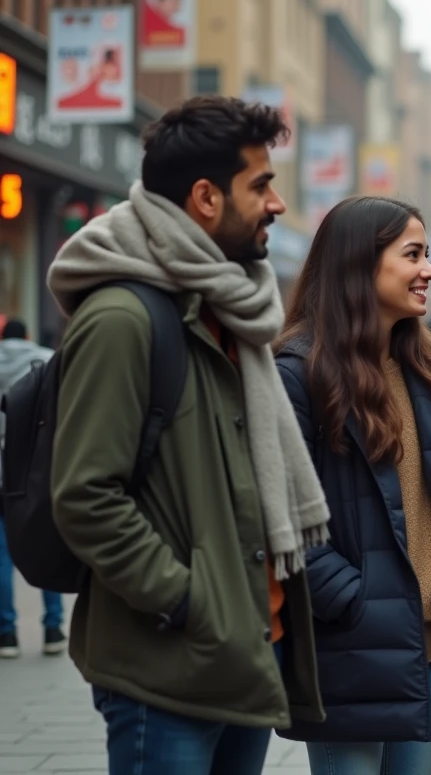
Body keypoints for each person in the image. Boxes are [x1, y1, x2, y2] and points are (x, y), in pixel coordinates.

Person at [46, 95, 328, 774]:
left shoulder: (229, 306)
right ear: (205, 197)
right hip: (169, 667)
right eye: (260, 185)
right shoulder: (123, 318)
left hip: (247, 651)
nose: (277, 203)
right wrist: (189, 602)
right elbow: (85, 496)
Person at [273, 196, 431, 774]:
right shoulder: (299, 376)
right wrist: (353, 600)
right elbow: (278, 516)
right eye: (413, 255)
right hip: (349, 645)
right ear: (359, 263)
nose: (430, 271)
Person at [0, 320, 66, 659]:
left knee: (1, 556)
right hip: (38, 470)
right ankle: (53, 628)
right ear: (27, 336)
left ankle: (6, 633)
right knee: (47, 541)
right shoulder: (48, 360)